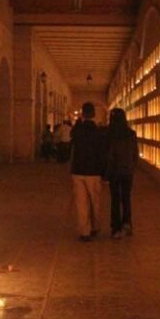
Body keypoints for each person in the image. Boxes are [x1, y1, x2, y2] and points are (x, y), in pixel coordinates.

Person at [70, 102, 106, 241]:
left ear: (83, 114)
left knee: (81, 203)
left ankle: (84, 232)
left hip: (78, 170)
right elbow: (102, 152)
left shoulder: (78, 130)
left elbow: (73, 136)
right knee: (95, 201)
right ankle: (95, 227)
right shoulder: (99, 131)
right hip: (94, 171)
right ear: (94, 114)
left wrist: (78, 121)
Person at [104, 108, 138, 239]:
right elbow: (135, 153)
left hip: (114, 171)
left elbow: (108, 156)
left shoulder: (109, 134)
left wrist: (106, 173)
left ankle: (116, 228)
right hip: (127, 171)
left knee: (115, 199)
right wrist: (132, 168)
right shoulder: (131, 134)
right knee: (126, 197)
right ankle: (127, 224)